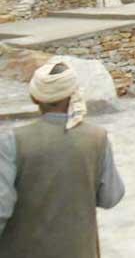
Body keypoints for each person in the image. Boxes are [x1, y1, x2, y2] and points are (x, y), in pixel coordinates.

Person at [0, 61, 125, 258]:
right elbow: (110, 197)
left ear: (34, 97)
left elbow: (2, 207)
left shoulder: (12, 142)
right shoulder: (97, 138)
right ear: (73, 95)